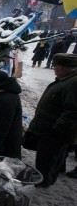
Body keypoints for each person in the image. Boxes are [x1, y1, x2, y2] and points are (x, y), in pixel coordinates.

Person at [26, 53, 77, 188]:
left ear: (62, 67)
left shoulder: (73, 83)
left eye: (55, 66)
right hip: (50, 128)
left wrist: (57, 129)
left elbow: (72, 111)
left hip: (55, 131)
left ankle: (43, 181)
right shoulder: (66, 79)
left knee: (49, 157)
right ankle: (46, 176)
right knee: (47, 156)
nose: (53, 68)